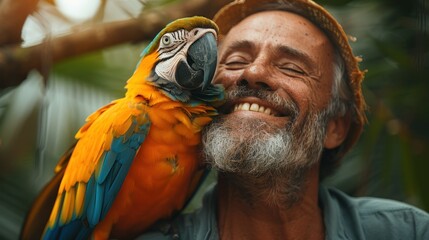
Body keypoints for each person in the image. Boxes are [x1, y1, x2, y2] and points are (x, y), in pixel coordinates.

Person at [139, 0, 429, 239]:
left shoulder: (409, 232)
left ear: (335, 127)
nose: (253, 73)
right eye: (236, 61)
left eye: (291, 67)